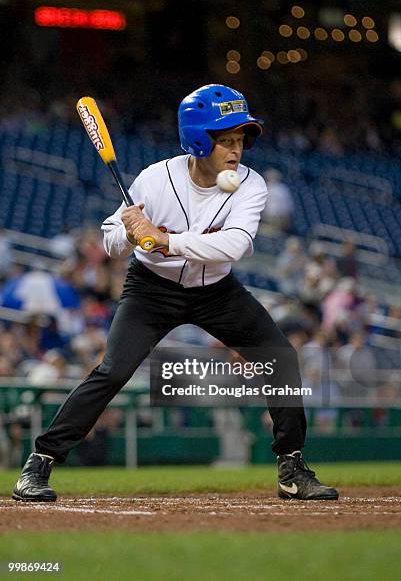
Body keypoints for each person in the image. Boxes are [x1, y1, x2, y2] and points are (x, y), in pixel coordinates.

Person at [12, 84, 338, 502]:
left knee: (280, 357)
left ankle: (291, 469)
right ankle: (38, 464)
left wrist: (166, 241)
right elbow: (109, 239)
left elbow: (234, 245)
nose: (236, 150)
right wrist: (130, 231)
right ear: (198, 139)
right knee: (112, 370)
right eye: (226, 140)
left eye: (240, 141)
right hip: (151, 289)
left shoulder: (251, 186)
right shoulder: (155, 179)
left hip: (217, 290)